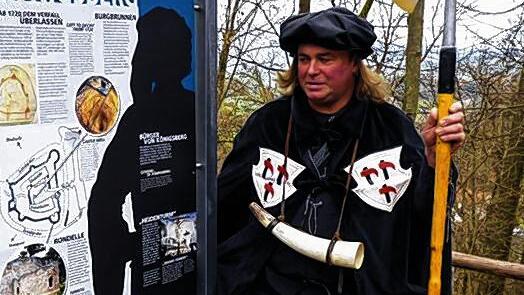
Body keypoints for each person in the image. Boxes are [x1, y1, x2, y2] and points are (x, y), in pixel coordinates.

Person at [217, 7, 465, 295]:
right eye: (303, 59)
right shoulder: (268, 125)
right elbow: (225, 207)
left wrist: (433, 162)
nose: (311, 71)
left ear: (353, 64)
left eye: (325, 59)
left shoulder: (390, 130)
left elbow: (421, 217)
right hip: (270, 286)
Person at [88, 7, 196, 294]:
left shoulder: (146, 116)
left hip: (182, 269)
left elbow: (102, 201)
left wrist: (128, 245)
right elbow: (103, 201)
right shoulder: (148, 117)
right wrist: (134, 244)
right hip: (162, 272)